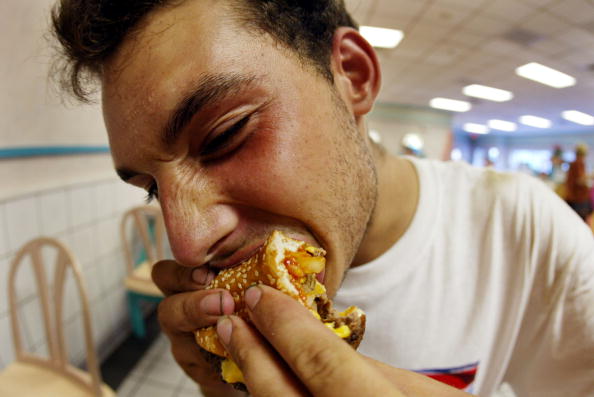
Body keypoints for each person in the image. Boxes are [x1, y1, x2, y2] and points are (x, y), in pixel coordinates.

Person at [50, 1, 594, 396]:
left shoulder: (526, 229)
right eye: (151, 188)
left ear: (352, 77)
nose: (189, 245)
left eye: (224, 135)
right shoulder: (221, 304)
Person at [565, 144, 592, 221]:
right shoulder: (578, 163)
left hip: (574, 197)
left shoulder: (574, 163)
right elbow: (580, 180)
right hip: (578, 198)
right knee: (581, 220)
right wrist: (591, 176)